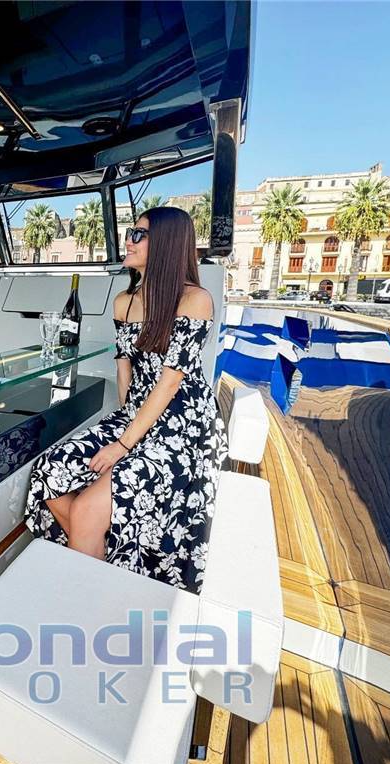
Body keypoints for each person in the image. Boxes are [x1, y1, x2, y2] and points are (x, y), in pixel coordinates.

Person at [24, 206, 227, 593]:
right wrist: (122, 426)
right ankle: (104, 567)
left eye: (138, 235)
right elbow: (125, 373)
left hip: (183, 427)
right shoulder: (124, 302)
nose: (128, 241)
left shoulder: (195, 299)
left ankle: (86, 594)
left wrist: (123, 446)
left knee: (86, 510)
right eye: (130, 233)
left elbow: (169, 383)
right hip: (135, 416)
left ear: (165, 243)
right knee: (48, 473)